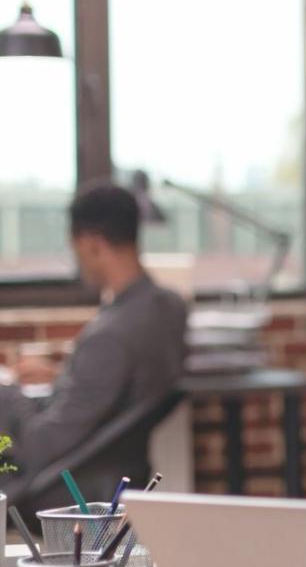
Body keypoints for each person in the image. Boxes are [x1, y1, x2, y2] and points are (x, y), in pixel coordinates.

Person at [0, 183, 188, 508]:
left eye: (76, 249)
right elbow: (108, 389)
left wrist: (8, 387)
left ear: (92, 243)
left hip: (66, 485)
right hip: (115, 469)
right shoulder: (169, 307)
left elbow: (39, 446)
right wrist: (63, 375)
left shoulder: (109, 337)